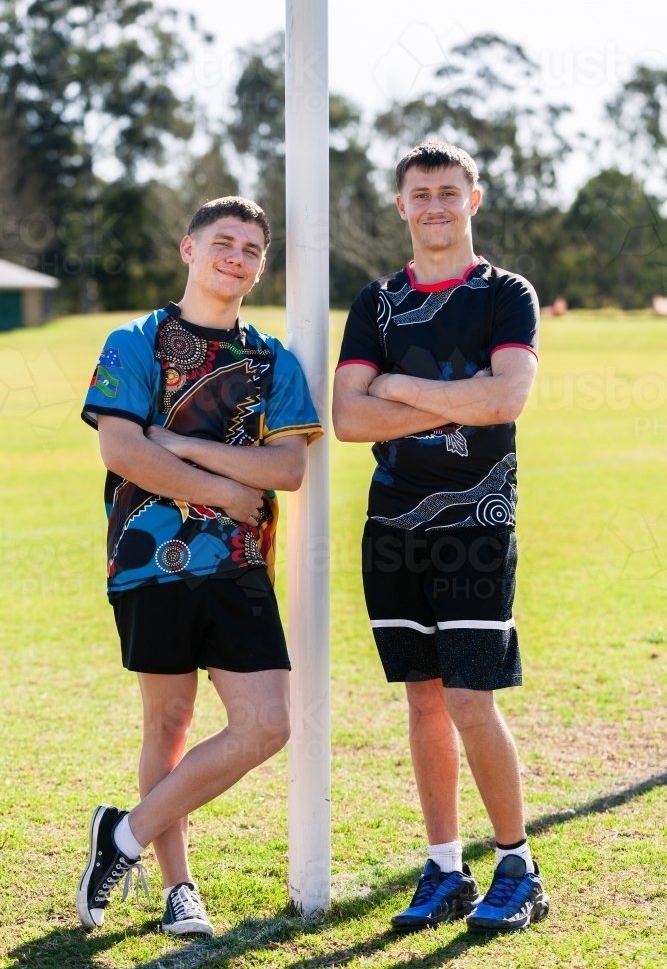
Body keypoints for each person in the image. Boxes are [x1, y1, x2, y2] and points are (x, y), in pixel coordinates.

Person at [77, 196, 322, 936]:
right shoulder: (135, 341)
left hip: (239, 564)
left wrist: (181, 447)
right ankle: (178, 886)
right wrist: (222, 487)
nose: (237, 258)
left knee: (265, 726)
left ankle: (121, 837)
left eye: (252, 249)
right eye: (224, 242)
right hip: (146, 561)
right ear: (188, 249)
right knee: (171, 722)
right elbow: (122, 450)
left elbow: (285, 470)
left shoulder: (271, 361)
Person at [333, 142, 549, 934]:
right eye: (419, 192)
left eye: (447, 191)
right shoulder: (376, 302)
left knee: (468, 697)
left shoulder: (505, 294)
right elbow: (350, 418)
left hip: (477, 526)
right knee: (422, 701)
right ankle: (444, 867)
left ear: (473, 200)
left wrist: (397, 385)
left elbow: (507, 401)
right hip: (391, 527)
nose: (433, 204)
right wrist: (460, 399)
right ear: (400, 206)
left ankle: (516, 863)